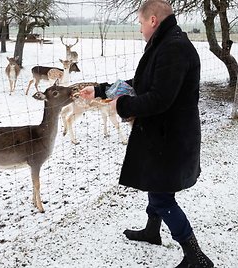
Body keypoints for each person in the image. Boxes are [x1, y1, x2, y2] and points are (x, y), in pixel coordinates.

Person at [80, 0, 214, 267]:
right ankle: (152, 231)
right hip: (164, 135)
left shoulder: (174, 49)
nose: (140, 29)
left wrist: (123, 105)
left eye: (141, 23)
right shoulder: (165, 43)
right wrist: (100, 90)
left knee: (162, 195)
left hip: (171, 139)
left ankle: (195, 256)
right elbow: (142, 82)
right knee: (157, 185)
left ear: (153, 20)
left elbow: (159, 98)